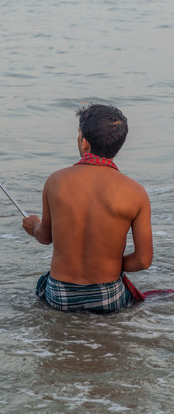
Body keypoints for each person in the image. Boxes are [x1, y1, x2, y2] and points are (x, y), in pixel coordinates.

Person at [22, 104, 153, 314]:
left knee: (41, 290)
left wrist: (34, 225)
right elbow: (143, 260)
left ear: (84, 143)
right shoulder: (136, 192)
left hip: (60, 294)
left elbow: (45, 237)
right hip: (107, 296)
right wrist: (110, 263)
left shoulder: (56, 181)